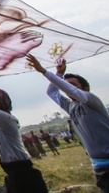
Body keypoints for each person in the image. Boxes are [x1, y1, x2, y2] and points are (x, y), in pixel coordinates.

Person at [26, 54, 109, 192]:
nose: (67, 88)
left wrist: (44, 71)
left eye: (73, 85)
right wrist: (58, 73)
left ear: (85, 88)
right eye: (66, 85)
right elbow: (52, 91)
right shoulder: (71, 106)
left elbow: (71, 91)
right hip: (98, 165)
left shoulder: (92, 101)